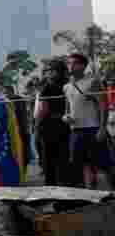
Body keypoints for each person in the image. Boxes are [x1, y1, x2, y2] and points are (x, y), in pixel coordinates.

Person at [63, 53, 110, 189]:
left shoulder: (93, 82)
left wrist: (102, 128)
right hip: (76, 130)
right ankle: (91, 193)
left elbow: (104, 106)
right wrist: (66, 117)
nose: (70, 66)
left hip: (93, 128)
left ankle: (112, 191)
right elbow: (67, 109)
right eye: (69, 63)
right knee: (84, 163)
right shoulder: (66, 87)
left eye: (74, 63)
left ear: (83, 66)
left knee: (104, 164)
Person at [34, 62, 71, 186]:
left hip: (48, 127)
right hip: (65, 125)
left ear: (57, 72)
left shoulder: (47, 87)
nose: (48, 73)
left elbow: (42, 110)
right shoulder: (69, 85)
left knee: (49, 160)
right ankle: (64, 185)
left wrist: (37, 126)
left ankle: (51, 187)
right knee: (63, 158)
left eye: (50, 70)